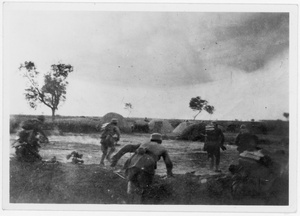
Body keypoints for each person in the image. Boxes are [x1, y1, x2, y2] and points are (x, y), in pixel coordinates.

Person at [110, 133, 173, 204]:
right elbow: (168, 163)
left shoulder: (143, 144)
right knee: (144, 189)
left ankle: (130, 203)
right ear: (160, 141)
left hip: (132, 164)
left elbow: (127, 147)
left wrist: (116, 157)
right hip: (147, 167)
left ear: (151, 139)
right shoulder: (162, 148)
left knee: (132, 185)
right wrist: (169, 173)